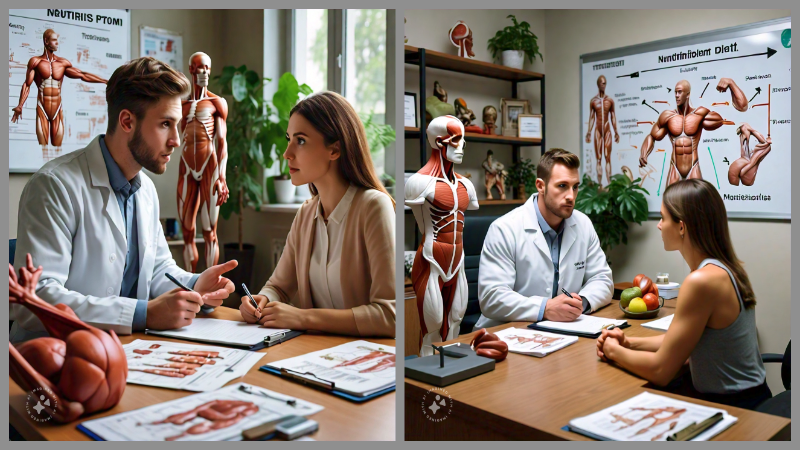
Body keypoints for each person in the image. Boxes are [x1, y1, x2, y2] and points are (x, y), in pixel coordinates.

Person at [12, 57, 238, 343]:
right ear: (127, 121)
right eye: (165, 124)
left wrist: (195, 284)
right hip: (52, 356)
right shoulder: (54, 186)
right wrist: (142, 314)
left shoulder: (145, 190)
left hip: (127, 349)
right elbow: (36, 298)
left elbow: (157, 269)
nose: (176, 141)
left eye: (177, 125)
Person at [597, 179, 770, 410]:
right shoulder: (726, 268)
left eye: (663, 217)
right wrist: (629, 342)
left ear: (681, 226)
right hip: (752, 396)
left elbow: (661, 371)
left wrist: (612, 351)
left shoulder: (701, 281)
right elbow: (682, 340)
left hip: (734, 408)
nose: (659, 225)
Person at [238, 92, 395, 337]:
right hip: (317, 355)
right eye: (289, 139)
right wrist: (261, 301)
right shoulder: (306, 212)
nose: (287, 153)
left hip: (366, 361)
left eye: (300, 141)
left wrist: (303, 317)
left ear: (334, 150)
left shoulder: (374, 207)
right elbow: (278, 286)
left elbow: (389, 316)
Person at [475, 148, 613, 330]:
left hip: (562, 331)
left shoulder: (583, 224)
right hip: (505, 333)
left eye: (575, 186)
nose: (571, 196)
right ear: (540, 185)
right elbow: (492, 297)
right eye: (562, 186)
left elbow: (602, 278)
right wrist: (545, 308)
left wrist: (582, 303)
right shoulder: (504, 228)